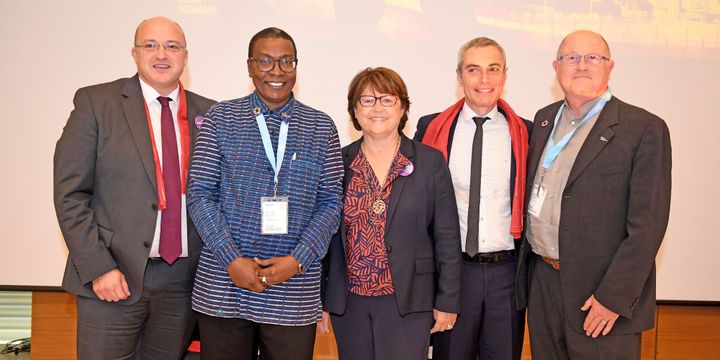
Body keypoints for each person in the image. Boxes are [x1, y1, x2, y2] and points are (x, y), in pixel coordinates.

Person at [53, 17, 215, 359]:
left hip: (182, 283)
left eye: (172, 46)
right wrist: (99, 268)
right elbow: (70, 195)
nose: (161, 54)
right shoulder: (96, 103)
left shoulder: (211, 114)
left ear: (186, 56)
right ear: (134, 53)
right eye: (150, 45)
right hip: (113, 277)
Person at [187, 27, 343, 360]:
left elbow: (331, 203)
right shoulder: (220, 118)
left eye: (286, 62)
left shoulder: (321, 126)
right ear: (249, 66)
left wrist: (298, 260)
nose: (276, 71)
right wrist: (232, 259)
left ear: (296, 67)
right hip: (224, 284)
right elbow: (200, 194)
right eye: (266, 61)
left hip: (293, 288)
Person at [516, 30, 672, 359]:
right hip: (543, 282)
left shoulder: (642, 128)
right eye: (571, 57)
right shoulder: (543, 121)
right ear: (556, 67)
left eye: (593, 58)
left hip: (599, 295)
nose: (582, 65)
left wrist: (613, 297)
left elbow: (648, 227)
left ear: (610, 67)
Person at [320, 67, 462, 360]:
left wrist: (447, 301)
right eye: (367, 100)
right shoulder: (338, 162)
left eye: (387, 99)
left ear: (402, 108)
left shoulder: (429, 162)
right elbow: (325, 234)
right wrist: (322, 301)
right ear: (354, 112)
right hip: (349, 303)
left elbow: (446, 236)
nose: (377, 108)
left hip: (409, 299)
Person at [414, 37, 531, 360]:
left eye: (493, 69)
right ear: (459, 76)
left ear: (505, 75)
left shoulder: (526, 133)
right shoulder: (430, 129)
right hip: (452, 273)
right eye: (473, 69)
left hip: (506, 274)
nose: (484, 80)